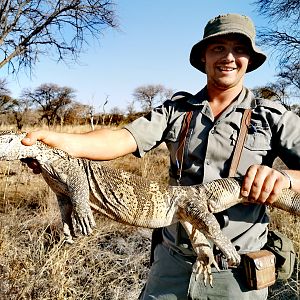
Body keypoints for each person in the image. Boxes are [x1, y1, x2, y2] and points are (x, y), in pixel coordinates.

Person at [22, 13, 300, 300]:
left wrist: (284, 178)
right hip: (172, 263)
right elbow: (121, 138)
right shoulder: (176, 110)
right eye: (218, 48)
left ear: (250, 60)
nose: (228, 57)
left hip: (237, 272)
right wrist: (59, 141)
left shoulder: (273, 116)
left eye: (239, 49)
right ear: (203, 57)